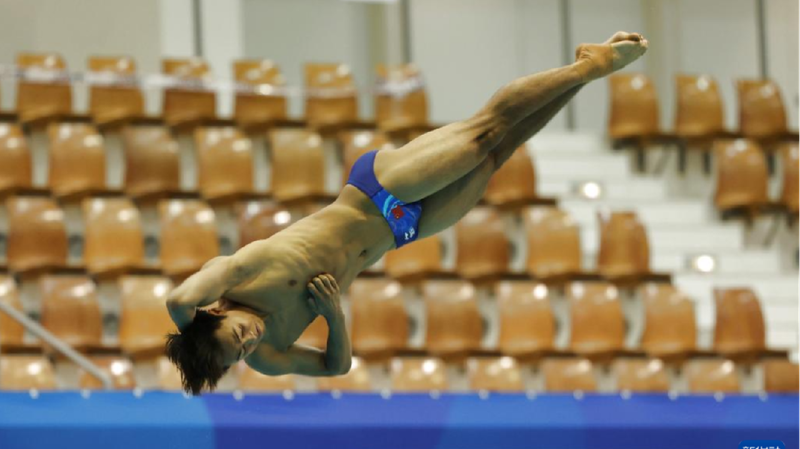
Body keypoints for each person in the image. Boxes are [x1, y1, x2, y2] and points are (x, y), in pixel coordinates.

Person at [166, 31, 649, 395]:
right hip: (404, 230)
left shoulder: (234, 278)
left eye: (237, 336)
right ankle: (586, 75)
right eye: (241, 351)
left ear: (213, 314)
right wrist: (333, 317)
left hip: (376, 189)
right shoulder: (269, 356)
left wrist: (191, 333)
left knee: (483, 131)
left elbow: (176, 300)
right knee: (498, 155)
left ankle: (589, 66)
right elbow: (337, 367)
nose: (250, 341)